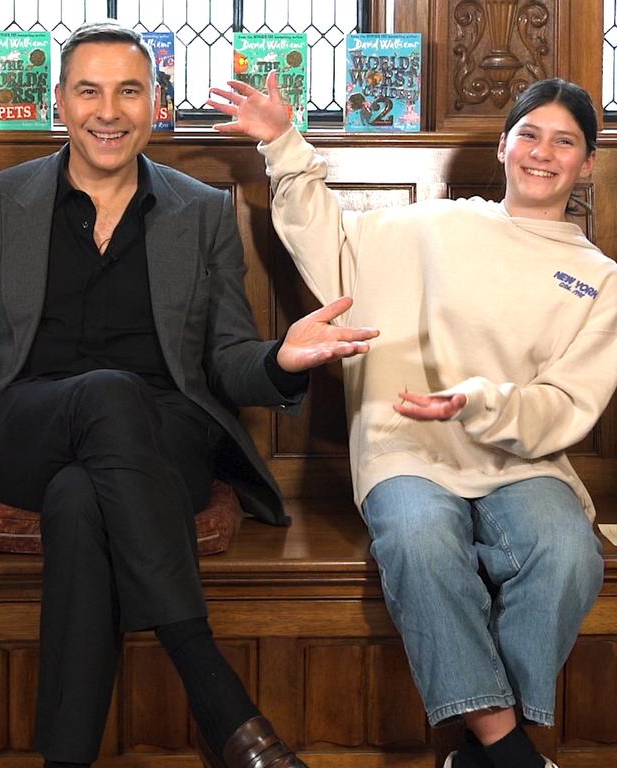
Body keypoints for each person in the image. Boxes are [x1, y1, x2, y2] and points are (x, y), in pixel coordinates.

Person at [0, 22, 375, 768]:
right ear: (60, 103)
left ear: (157, 102)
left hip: (162, 443)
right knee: (103, 397)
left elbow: (225, 361)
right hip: (29, 426)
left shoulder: (202, 211)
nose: (108, 110)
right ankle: (214, 690)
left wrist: (283, 359)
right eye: (88, 90)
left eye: (129, 90)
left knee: (81, 499)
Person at [208, 74, 615, 768]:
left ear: (586, 162)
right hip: (406, 447)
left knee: (570, 551)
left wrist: (479, 401)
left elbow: (566, 403)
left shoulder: (600, 280)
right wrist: (282, 141)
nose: (543, 153)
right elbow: (330, 245)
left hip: (523, 460)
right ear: (503, 145)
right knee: (423, 541)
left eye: (565, 142)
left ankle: (479, 746)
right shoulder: (432, 225)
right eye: (530, 135)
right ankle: (507, 748)